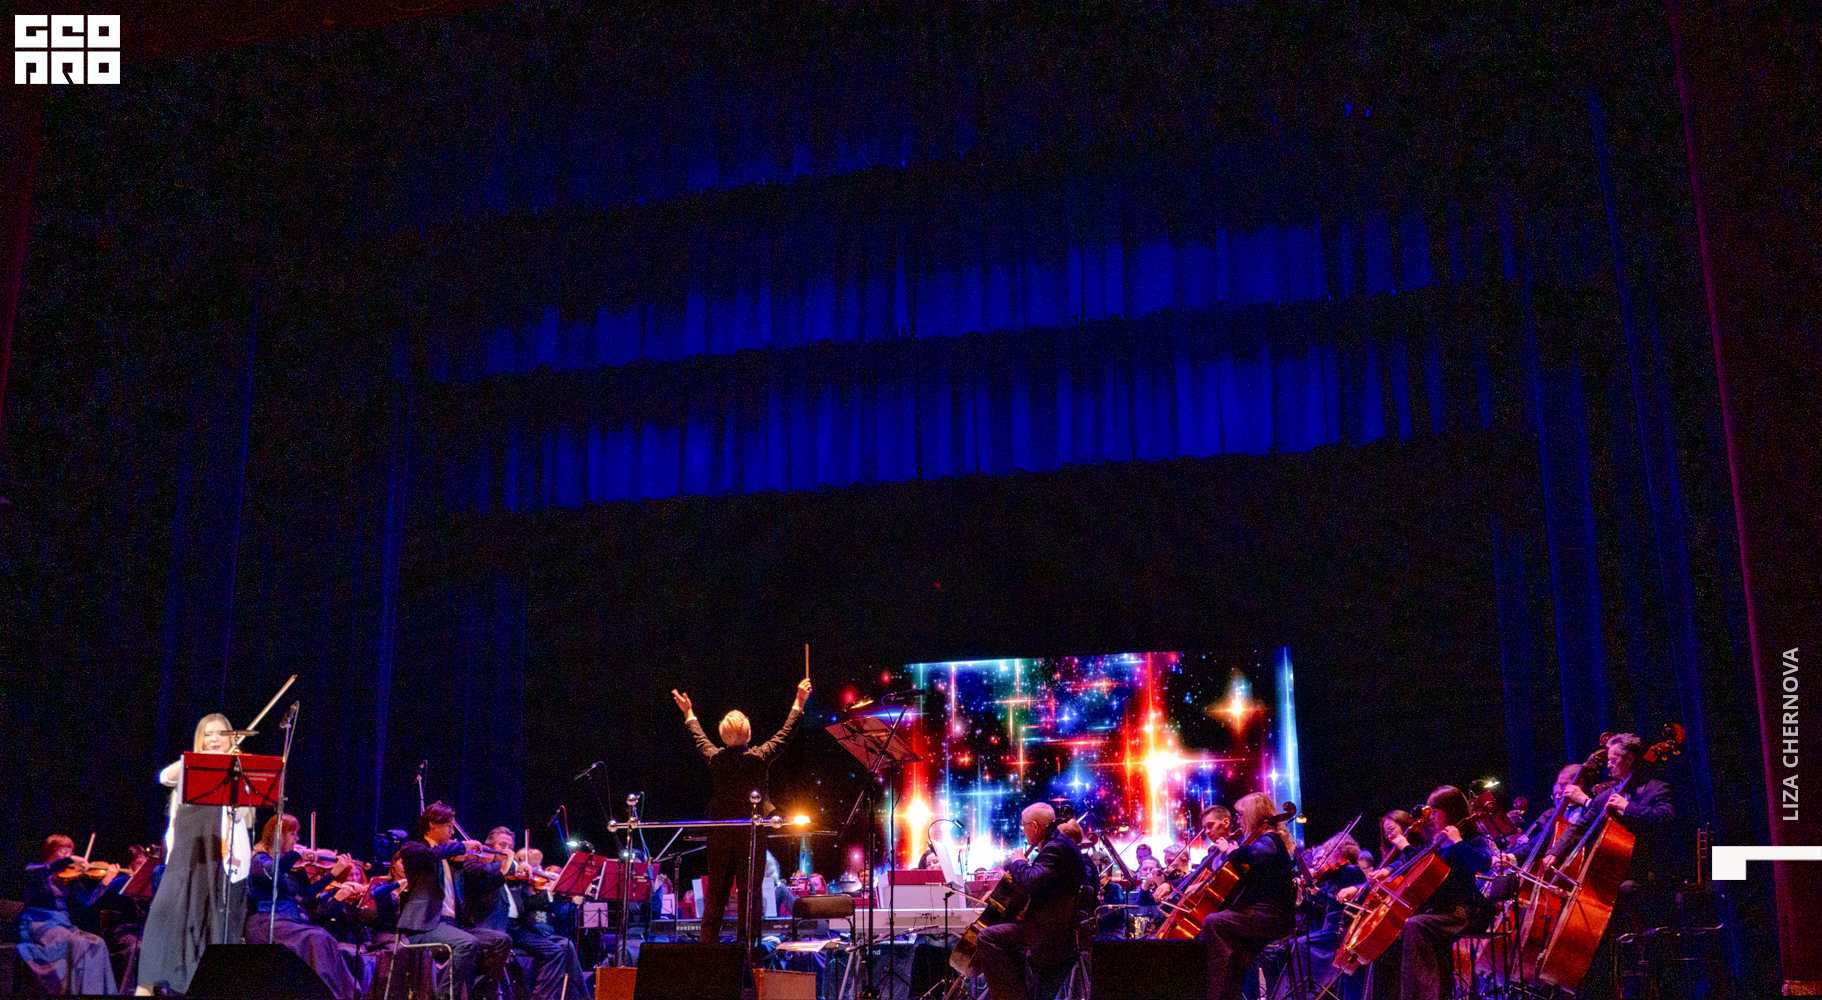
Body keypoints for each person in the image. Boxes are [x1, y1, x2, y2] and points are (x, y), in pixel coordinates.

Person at [671, 676, 811, 953]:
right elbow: (786, 733)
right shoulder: (758, 758)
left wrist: (688, 712)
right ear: (748, 735)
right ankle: (747, 953)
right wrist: (799, 701)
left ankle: (706, 951)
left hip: (721, 831)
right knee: (750, 894)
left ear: (723, 735)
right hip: (750, 833)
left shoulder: (716, 759)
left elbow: (698, 738)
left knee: (716, 894)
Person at [137, 713, 256, 995]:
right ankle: (145, 988)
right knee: (162, 920)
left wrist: (236, 774)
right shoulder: (189, 769)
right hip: (185, 858)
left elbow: (244, 815)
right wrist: (198, 759)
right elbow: (164, 777)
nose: (214, 740)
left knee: (210, 930)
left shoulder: (237, 770)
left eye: (221, 734)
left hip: (218, 860)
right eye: (208, 734)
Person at [1343, 787, 1492, 1000]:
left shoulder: (1472, 837)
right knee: (1392, 934)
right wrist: (1388, 870)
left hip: (1467, 909)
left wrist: (1458, 842)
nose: (1431, 818)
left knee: (1415, 925)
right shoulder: (1438, 842)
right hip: (1442, 910)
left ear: (1449, 811)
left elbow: (1484, 864)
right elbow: (1413, 860)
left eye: (1435, 812)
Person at [966, 802, 1092, 1000]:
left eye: (1024, 826)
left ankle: (1012, 997)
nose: (1023, 832)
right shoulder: (1059, 844)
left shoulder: (1056, 847)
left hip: (1049, 933)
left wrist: (1019, 861)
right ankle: (1016, 991)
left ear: (1034, 826)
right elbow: (1048, 888)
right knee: (1006, 938)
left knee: (986, 937)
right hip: (1055, 927)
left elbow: (1031, 881)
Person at [393, 802, 511, 1000]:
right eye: (449, 826)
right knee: (467, 943)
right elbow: (431, 854)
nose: (452, 831)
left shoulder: (452, 859)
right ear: (432, 824)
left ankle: (481, 996)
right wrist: (460, 846)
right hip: (424, 927)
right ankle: (444, 997)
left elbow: (477, 883)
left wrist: (496, 867)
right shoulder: (412, 848)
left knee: (501, 940)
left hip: (453, 925)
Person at [244, 814, 366, 998]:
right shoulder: (259, 860)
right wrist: (296, 854)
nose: (297, 839)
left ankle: (336, 994)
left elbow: (307, 893)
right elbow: (272, 872)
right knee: (317, 937)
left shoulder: (292, 868)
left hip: (291, 922)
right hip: (267, 921)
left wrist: (333, 874)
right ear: (279, 836)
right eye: (293, 834)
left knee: (325, 938)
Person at [462, 827, 587, 1000]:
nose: (507, 850)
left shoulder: (514, 877)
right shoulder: (482, 868)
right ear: (490, 846)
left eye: (510, 846)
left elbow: (527, 903)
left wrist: (529, 880)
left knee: (556, 951)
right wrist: (506, 868)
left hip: (516, 927)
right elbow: (481, 887)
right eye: (502, 845)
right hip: (495, 926)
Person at [1198, 793, 1297, 1000]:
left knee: (1214, 922)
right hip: (1260, 913)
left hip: (1270, 915)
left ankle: (1217, 994)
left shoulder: (1270, 839)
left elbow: (1254, 854)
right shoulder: (1261, 840)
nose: (1239, 820)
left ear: (1253, 814)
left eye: (1242, 815)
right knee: (1236, 951)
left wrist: (1229, 852)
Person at [17, 834, 121, 995]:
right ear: (49, 852)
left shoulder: (69, 876)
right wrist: (70, 859)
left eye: (70, 852)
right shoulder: (36, 870)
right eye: (62, 851)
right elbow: (41, 869)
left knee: (98, 943)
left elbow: (87, 900)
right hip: (38, 924)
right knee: (80, 943)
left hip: (63, 925)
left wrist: (105, 881)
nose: (67, 856)